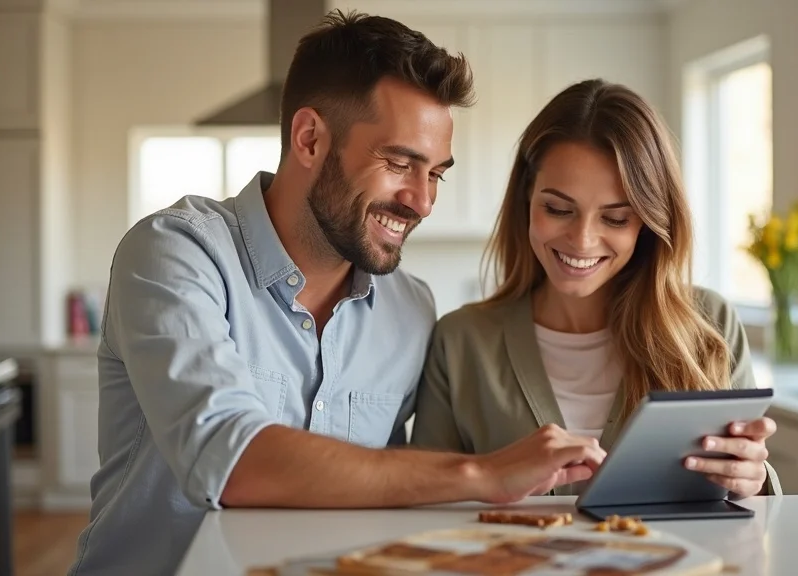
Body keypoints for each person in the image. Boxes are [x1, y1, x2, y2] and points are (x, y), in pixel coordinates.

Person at [68, 11, 605, 576]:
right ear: (310, 139)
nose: (422, 201)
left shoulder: (411, 308)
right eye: (400, 163)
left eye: (436, 174)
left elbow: (393, 492)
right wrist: (483, 474)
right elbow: (229, 461)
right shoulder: (176, 254)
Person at [410, 78, 782, 499]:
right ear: (525, 200)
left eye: (616, 218)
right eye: (558, 209)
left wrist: (753, 480)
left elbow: (747, 512)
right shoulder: (460, 343)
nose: (582, 241)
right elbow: (426, 505)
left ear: (649, 223)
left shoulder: (708, 324)